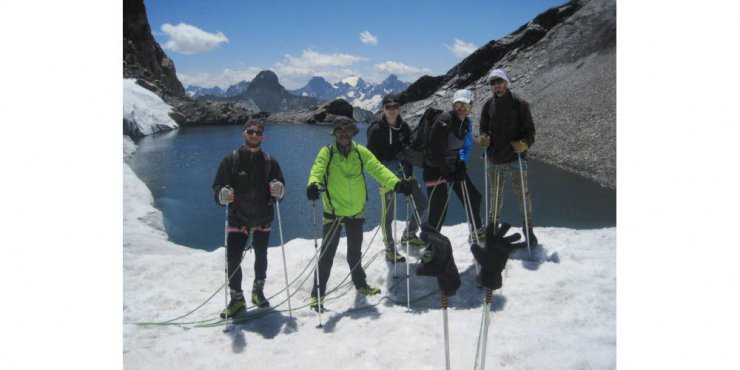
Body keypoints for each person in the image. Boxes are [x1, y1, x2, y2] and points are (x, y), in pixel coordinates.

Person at [306, 117, 414, 311]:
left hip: (356, 211)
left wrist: (396, 183)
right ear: (335, 133)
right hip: (334, 212)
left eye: (348, 132)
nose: (344, 135)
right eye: (340, 132)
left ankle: (361, 285)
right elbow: (317, 170)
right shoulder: (327, 152)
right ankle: (317, 295)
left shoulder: (360, 152)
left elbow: (377, 168)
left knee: (355, 253)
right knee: (327, 255)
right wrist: (313, 184)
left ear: (353, 133)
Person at [212, 118, 286, 319]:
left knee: (261, 257)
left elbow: (280, 187)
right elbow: (218, 186)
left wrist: (279, 190)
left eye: (258, 133)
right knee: (233, 259)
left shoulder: (270, 162)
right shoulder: (231, 160)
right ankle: (237, 298)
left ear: (263, 136)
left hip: (263, 217)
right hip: (238, 218)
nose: (254, 136)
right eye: (251, 132)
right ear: (243, 134)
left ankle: (258, 291)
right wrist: (221, 194)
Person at [479, 69, 538, 246]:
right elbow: (483, 127)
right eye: (492, 82)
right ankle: (493, 227)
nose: (496, 85)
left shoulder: (520, 103)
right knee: (496, 195)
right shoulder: (488, 104)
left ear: (506, 82)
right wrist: (483, 138)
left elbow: (530, 131)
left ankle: (528, 230)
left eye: (499, 81)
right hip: (495, 158)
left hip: (515, 158)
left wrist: (525, 144)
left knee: (522, 195)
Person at [366, 93, 428, 262]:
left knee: (422, 203)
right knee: (388, 214)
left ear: (399, 109)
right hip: (386, 174)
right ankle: (389, 249)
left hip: (403, 173)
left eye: (395, 107)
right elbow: (370, 157)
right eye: (388, 107)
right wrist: (386, 169)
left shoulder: (404, 127)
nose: (392, 110)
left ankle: (409, 233)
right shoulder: (375, 129)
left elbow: (408, 150)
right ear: (382, 109)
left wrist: (407, 170)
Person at [422, 89, 485, 240]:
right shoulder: (445, 120)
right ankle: (430, 243)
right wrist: (449, 173)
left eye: (465, 104)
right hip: (434, 170)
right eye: (458, 104)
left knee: (473, 196)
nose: (462, 108)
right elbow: (436, 150)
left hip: (451, 167)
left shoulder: (466, 123)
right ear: (452, 105)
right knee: (439, 209)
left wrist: (461, 163)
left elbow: (463, 147)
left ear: (471, 106)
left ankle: (477, 231)